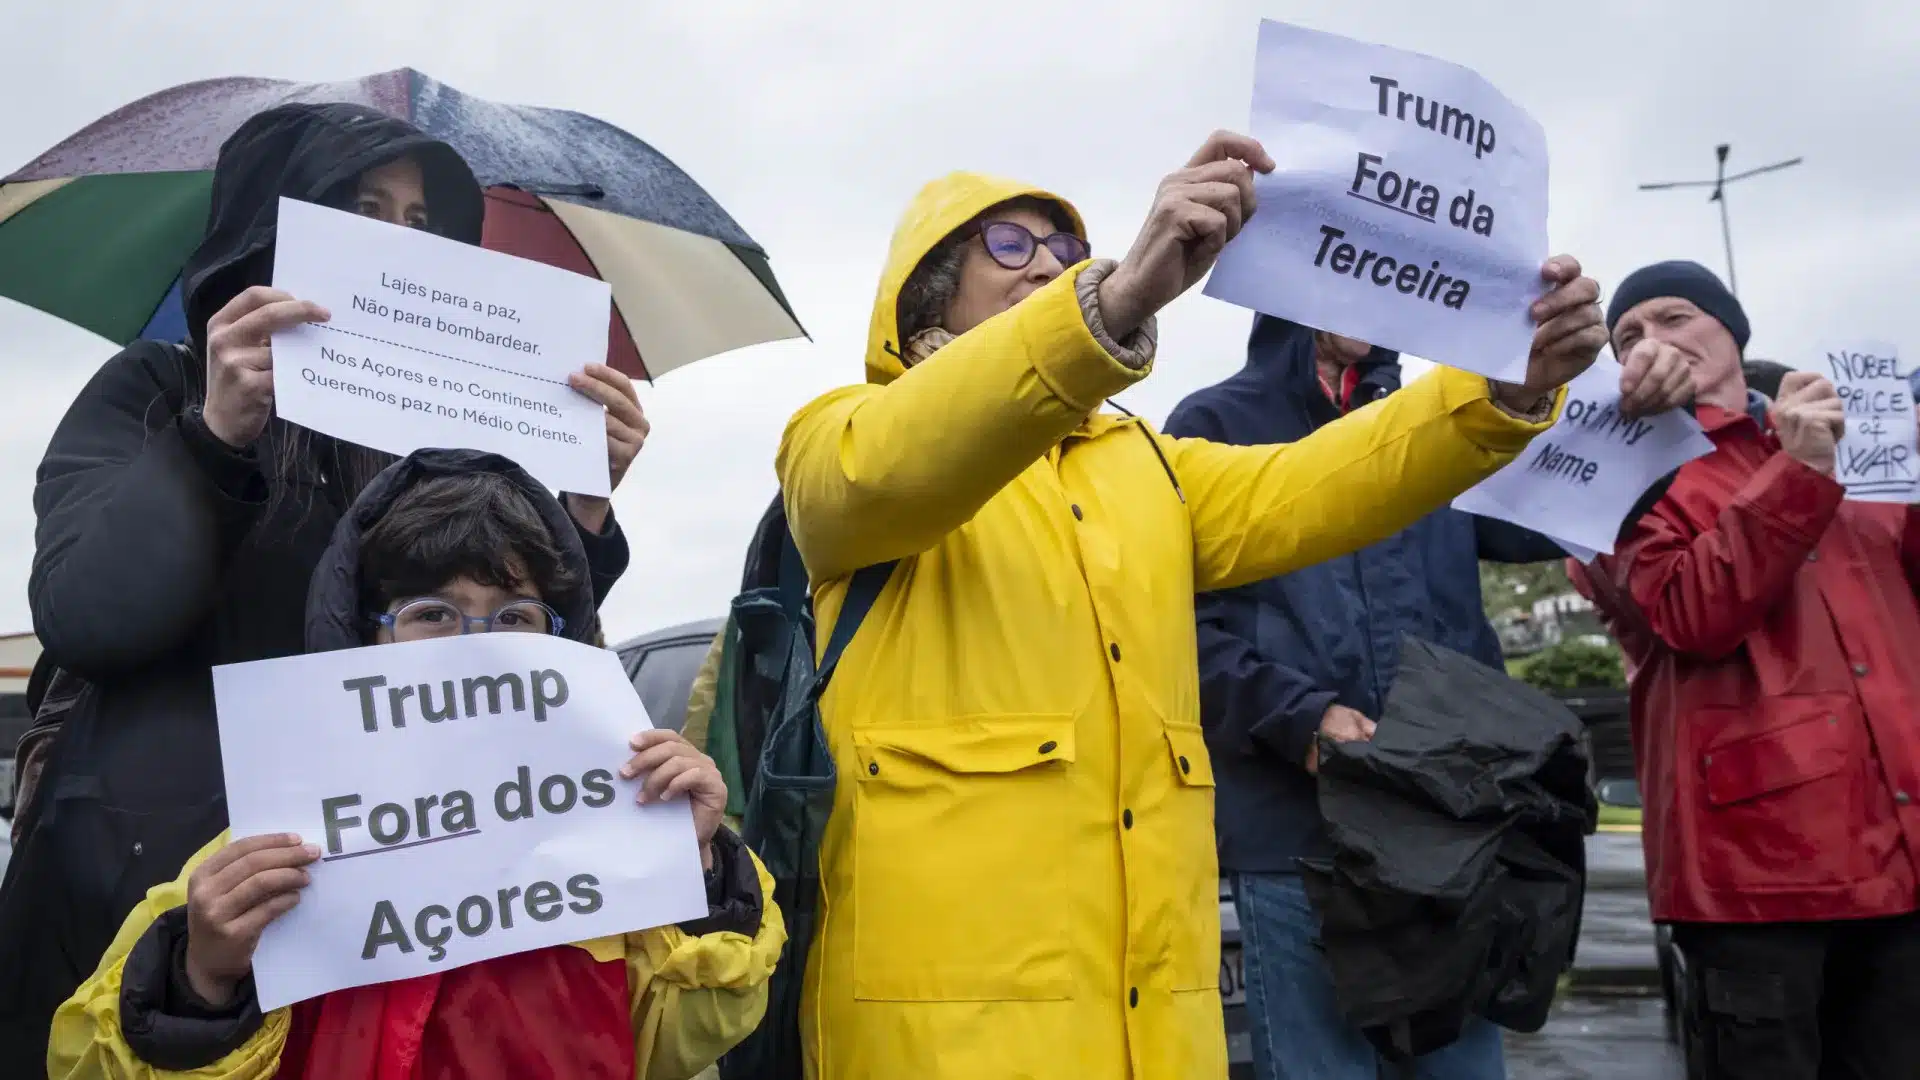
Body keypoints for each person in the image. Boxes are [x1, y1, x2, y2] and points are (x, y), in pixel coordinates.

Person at [775, 130, 1609, 1079]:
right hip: (947, 1029)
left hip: (1155, 1026)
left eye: (1063, 248)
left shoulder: (1146, 467)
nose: (1046, 261)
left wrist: (1496, 387)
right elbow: (897, 466)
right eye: (1007, 244)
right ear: (927, 291)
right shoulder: (835, 435)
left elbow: (1321, 480)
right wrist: (1117, 299)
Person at [0, 102, 650, 1065]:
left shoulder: (440, 445)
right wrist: (211, 441)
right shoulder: (158, 390)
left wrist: (580, 520)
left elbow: (503, 672)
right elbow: (90, 615)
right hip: (144, 895)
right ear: (280, 220)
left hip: (365, 900)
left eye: (423, 221)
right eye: (363, 206)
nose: (398, 239)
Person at [47, 449, 783, 1079]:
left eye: (515, 616)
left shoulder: (608, 830)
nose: (472, 645)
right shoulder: (275, 843)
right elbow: (88, 1057)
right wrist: (201, 976)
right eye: (432, 613)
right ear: (364, 637)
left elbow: (682, 1039)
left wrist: (703, 872)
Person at [1162, 316, 1692, 1080]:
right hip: (1294, 842)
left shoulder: (1450, 422)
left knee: (1464, 1065)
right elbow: (1180, 623)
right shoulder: (1211, 425)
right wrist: (1300, 719)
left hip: (1448, 833)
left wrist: (1650, 412)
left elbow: (1574, 510)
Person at [1570, 260, 1920, 1080]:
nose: (1652, 341)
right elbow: (1693, 615)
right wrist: (1798, 475)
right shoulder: (1616, 471)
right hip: (1757, 875)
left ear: (1732, 330)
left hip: (1901, 862)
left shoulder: (1855, 451)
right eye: (1628, 336)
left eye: (1675, 317)